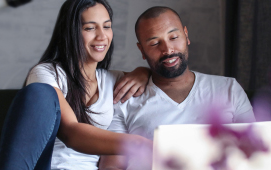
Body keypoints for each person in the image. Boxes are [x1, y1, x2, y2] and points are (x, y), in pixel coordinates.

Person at [0, 0, 153, 170]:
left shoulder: (116, 80)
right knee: (40, 92)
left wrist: (143, 72)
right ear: (71, 32)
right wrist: (140, 145)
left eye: (107, 26)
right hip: (48, 166)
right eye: (90, 28)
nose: (102, 36)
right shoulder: (47, 74)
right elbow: (71, 132)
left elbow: (160, 78)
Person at [99, 6, 256, 170]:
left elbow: (255, 155)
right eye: (154, 43)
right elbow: (111, 165)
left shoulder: (228, 89)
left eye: (173, 37)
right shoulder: (125, 98)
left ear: (186, 35)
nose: (167, 49)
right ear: (142, 50)